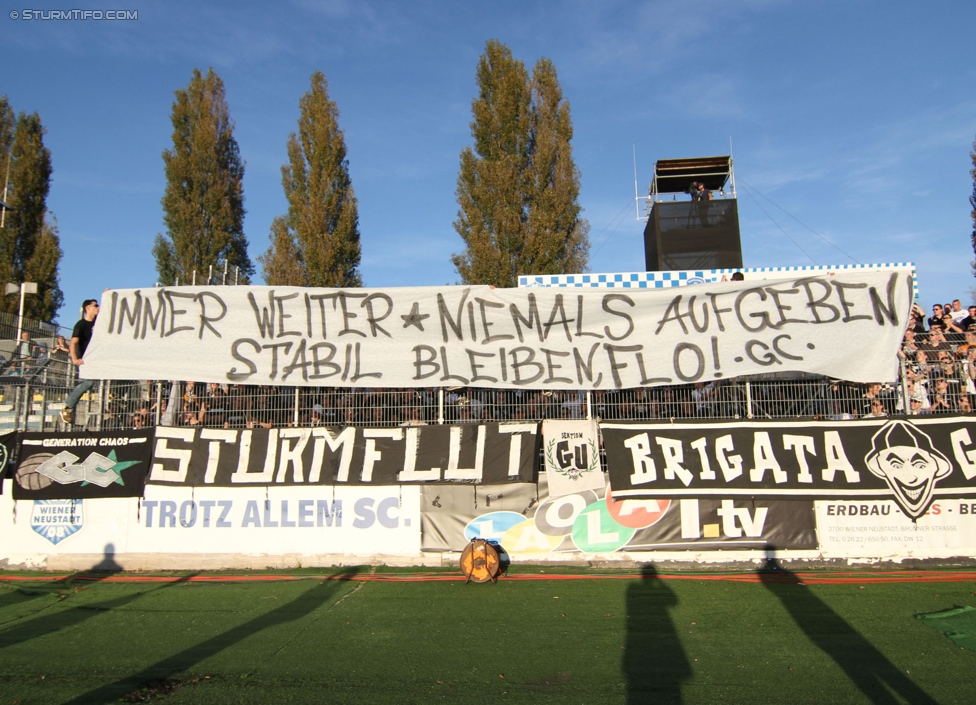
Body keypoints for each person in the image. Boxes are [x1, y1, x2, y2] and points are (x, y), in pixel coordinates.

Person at [59, 299, 100, 425]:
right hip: (85, 359)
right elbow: (73, 343)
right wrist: (74, 358)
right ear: (88, 308)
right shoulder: (81, 325)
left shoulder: (99, 323)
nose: (98, 307)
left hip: (97, 358)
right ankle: (68, 406)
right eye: (96, 305)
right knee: (89, 382)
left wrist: (107, 295)